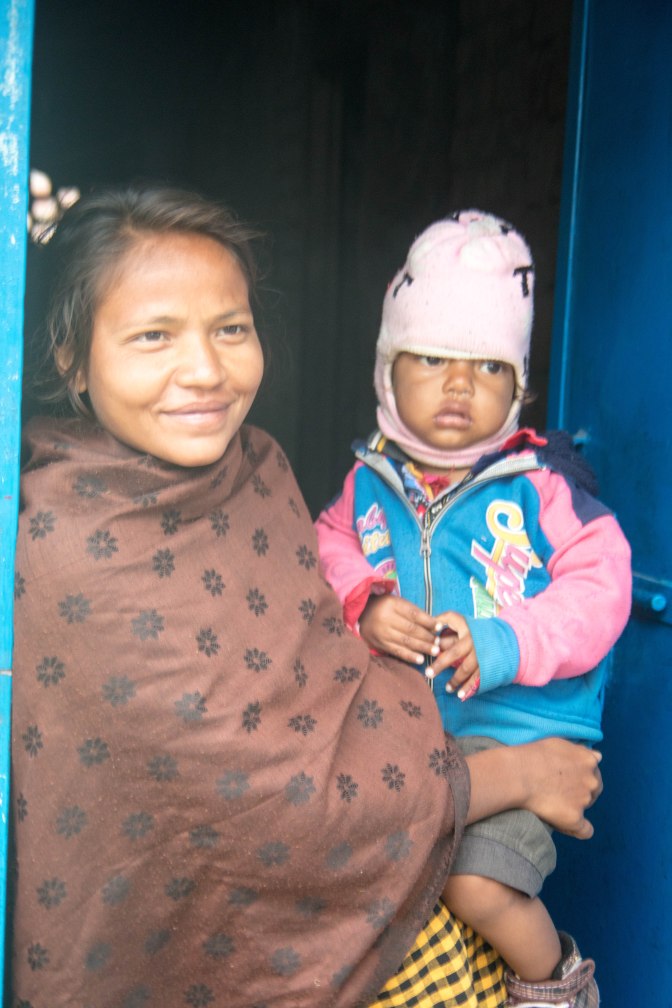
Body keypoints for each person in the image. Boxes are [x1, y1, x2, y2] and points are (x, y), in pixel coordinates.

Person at [11, 188, 604, 1008]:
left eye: (231, 329)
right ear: (71, 357)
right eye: (154, 336)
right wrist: (515, 775)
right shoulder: (65, 541)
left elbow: (325, 689)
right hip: (228, 939)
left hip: (386, 851)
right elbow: (272, 799)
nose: (207, 371)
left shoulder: (258, 471)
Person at [316, 210, 631, 1006]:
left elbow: (603, 589)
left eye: (488, 368)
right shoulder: (369, 485)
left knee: (475, 887)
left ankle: (559, 989)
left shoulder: (543, 487)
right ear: (388, 373)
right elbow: (324, 551)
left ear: (518, 387)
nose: (460, 386)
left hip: (522, 741)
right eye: (431, 359)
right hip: (422, 749)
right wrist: (365, 602)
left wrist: (503, 641)